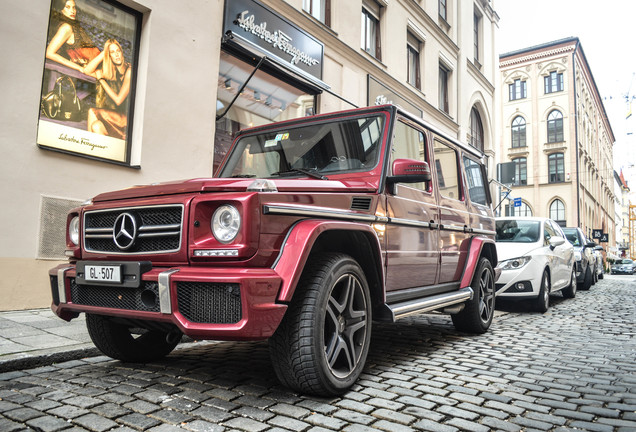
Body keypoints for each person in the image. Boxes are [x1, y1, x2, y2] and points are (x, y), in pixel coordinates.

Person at [85, 39, 131, 139]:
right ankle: (91, 151)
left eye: (118, 51)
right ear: (108, 56)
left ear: (122, 52)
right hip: (116, 118)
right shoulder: (111, 71)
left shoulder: (129, 70)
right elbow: (87, 70)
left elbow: (118, 100)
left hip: (127, 120)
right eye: (112, 52)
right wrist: (103, 54)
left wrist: (101, 80)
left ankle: (86, 146)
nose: (117, 55)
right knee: (96, 126)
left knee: (91, 111)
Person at [45, 0, 100, 73]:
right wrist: (79, 68)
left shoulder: (74, 26)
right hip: (92, 68)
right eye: (68, 7)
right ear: (61, 9)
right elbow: (49, 53)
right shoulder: (66, 28)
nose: (72, 11)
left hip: (97, 67)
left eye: (74, 7)